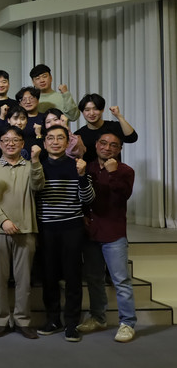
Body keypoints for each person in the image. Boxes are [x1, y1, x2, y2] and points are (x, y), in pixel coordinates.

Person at [0, 126, 44, 339]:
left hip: (26, 229)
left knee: (24, 281)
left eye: (15, 140)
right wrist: (3, 221)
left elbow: (38, 186)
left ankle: (23, 321)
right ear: (0, 144)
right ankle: (0, 321)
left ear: (22, 144)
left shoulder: (31, 166)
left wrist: (36, 161)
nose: (10, 143)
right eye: (6, 140)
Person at [36, 125, 95, 342]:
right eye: (50, 138)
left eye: (60, 138)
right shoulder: (38, 167)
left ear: (67, 142)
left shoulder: (78, 165)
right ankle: (53, 319)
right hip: (46, 228)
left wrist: (82, 176)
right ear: (44, 143)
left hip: (72, 227)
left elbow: (88, 199)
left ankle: (72, 323)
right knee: (49, 276)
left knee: (73, 276)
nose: (55, 142)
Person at [79, 132, 137, 343]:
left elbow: (124, 195)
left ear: (119, 149)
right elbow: (82, 196)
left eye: (113, 145)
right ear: (96, 145)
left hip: (114, 233)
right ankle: (98, 317)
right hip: (91, 232)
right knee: (94, 278)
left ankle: (127, 323)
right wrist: (83, 215)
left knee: (121, 280)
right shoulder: (88, 168)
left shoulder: (125, 170)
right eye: (103, 143)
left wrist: (112, 174)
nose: (107, 148)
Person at [75, 93, 138, 162]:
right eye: (87, 110)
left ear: (102, 110)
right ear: (82, 112)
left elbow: (132, 138)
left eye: (95, 109)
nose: (92, 113)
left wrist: (119, 116)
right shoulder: (78, 135)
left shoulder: (114, 126)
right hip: (89, 169)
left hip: (114, 168)